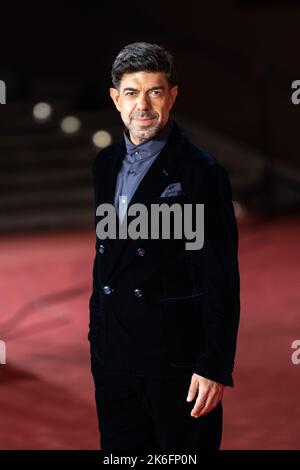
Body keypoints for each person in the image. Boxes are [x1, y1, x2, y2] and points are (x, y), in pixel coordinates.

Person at [88, 42, 240, 451]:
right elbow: (105, 260)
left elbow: (220, 274)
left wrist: (214, 365)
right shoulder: (104, 164)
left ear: (172, 95)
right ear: (116, 98)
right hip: (114, 359)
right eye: (133, 92)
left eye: (155, 91)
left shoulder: (201, 172)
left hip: (176, 358)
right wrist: (96, 335)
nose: (144, 105)